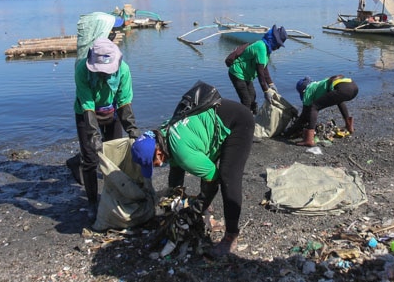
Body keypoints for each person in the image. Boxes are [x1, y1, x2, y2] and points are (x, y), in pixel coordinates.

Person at [152, 98, 255, 258]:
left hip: (238, 122)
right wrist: (173, 207)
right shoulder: (163, 134)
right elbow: (176, 172)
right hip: (216, 121)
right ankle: (207, 207)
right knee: (203, 164)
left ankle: (230, 236)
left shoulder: (180, 150)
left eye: (153, 163)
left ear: (158, 152)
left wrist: (197, 207)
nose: (155, 167)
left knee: (228, 177)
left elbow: (212, 178)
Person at [70, 37, 140, 214]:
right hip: (87, 113)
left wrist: (132, 131)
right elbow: (87, 104)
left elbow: (124, 101)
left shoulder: (123, 70)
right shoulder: (81, 71)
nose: (105, 74)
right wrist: (94, 135)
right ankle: (93, 202)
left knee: (114, 157)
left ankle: (114, 198)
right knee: (91, 159)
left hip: (113, 112)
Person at [227, 25, 287, 114]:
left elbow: (264, 67)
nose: (277, 48)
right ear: (273, 40)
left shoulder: (267, 49)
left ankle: (253, 116)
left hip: (246, 75)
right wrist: (266, 91)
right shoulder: (261, 47)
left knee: (252, 96)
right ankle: (242, 122)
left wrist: (271, 83)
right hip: (237, 73)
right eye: (278, 45)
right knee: (246, 101)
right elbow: (260, 73)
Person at [284, 75, 359, 147]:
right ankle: (349, 127)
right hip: (353, 86)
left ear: (302, 90)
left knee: (314, 107)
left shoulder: (307, 91)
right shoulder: (317, 86)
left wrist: (289, 131)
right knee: (339, 100)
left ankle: (309, 139)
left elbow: (304, 115)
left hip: (344, 89)